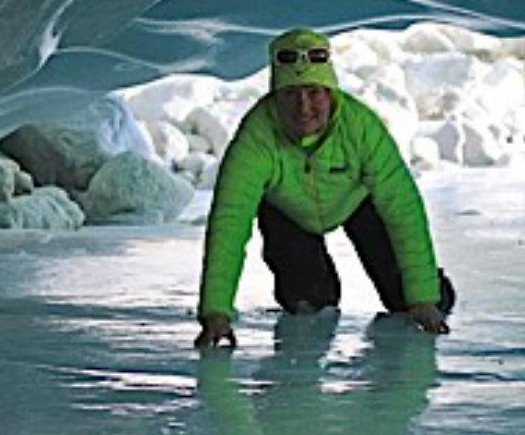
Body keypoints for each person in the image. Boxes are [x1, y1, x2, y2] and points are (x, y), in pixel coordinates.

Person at [194, 29, 456, 349]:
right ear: (275, 97)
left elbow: (404, 210)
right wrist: (216, 313)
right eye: (291, 94)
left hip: (358, 202)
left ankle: (433, 288)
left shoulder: (361, 127)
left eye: (314, 92)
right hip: (288, 210)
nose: (304, 107)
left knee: (408, 299)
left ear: (331, 93)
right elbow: (229, 223)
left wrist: (424, 299)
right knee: (309, 302)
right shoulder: (256, 136)